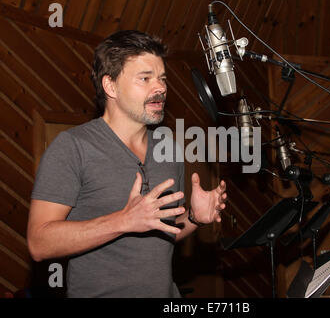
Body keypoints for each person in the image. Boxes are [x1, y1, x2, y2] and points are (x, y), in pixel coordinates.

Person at [27, 30, 227, 298]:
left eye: (162, 79)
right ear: (110, 86)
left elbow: (160, 234)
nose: (160, 88)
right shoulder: (72, 147)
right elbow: (39, 243)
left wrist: (192, 218)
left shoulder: (170, 150)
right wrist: (123, 221)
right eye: (145, 78)